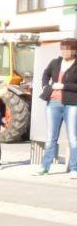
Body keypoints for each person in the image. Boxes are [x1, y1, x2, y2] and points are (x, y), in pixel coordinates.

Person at [36, 38, 77, 178]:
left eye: (68, 48)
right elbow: (45, 74)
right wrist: (45, 86)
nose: (64, 51)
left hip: (72, 104)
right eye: (63, 48)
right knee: (51, 137)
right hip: (53, 103)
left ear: (74, 50)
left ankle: (74, 169)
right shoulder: (55, 62)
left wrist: (63, 86)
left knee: (73, 138)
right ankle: (44, 167)